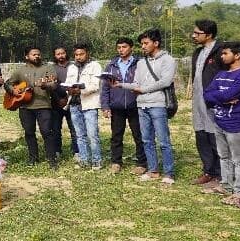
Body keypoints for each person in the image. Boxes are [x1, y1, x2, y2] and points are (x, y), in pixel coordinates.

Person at [110, 29, 177, 184]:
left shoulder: (168, 60)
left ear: (156, 43)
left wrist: (144, 90)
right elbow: (137, 84)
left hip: (158, 104)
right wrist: (121, 84)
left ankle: (169, 173)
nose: (143, 46)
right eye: (142, 44)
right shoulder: (141, 63)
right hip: (142, 105)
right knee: (146, 139)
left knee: (163, 141)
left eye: (146, 43)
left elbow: (165, 82)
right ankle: (153, 170)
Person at [203, 41, 240, 206]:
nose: (222, 56)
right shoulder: (220, 74)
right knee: (223, 156)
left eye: (225, 53)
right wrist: (223, 98)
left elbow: (228, 94)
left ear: (237, 55)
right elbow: (207, 95)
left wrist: (219, 96)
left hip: (235, 122)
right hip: (219, 120)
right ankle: (226, 185)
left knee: (238, 159)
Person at [4, 47, 59, 169]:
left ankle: (51, 159)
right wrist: (14, 91)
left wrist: (46, 85)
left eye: (38, 54)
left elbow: (54, 84)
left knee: (47, 132)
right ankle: (33, 158)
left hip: (43, 105)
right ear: (27, 56)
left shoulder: (48, 68)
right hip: (25, 106)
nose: (37, 56)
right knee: (29, 132)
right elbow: (8, 83)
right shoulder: (20, 71)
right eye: (34, 54)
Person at [101, 37, 147, 175]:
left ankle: (142, 163)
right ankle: (116, 162)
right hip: (117, 106)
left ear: (131, 48)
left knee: (139, 135)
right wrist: (105, 106)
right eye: (119, 47)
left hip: (135, 105)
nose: (121, 50)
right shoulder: (111, 66)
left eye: (124, 47)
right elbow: (105, 88)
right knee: (116, 136)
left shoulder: (139, 64)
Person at [190, 19, 225, 186]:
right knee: (201, 134)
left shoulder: (221, 51)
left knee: (214, 135)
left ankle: (220, 174)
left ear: (209, 35)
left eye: (197, 33)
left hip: (213, 100)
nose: (193, 35)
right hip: (198, 99)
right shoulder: (198, 52)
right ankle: (208, 170)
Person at [64, 43, 103, 170]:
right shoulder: (71, 67)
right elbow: (68, 83)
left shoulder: (95, 66)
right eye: (76, 54)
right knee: (79, 135)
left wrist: (80, 91)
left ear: (87, 54)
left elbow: (95, 85)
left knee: (92, 134)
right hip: (74, 104)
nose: (78, 57)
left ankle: (97, 161)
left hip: (89, 104)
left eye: (81, 54)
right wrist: (68, 90)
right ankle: (84, 160)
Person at [51, 46, 79, 160]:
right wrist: (59, 100)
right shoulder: (52, 68)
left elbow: (76, 83)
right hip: (56, 103)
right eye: (58, 54)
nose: (60, 56)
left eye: (62, 53)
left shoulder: (74, 66)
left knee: (74, 128)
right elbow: (51, 86)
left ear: (66, 53)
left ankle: (76, 151)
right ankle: (57, 151)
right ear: (55, 56)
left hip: (72, 101)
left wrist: (67, 98)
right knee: (56, 129)